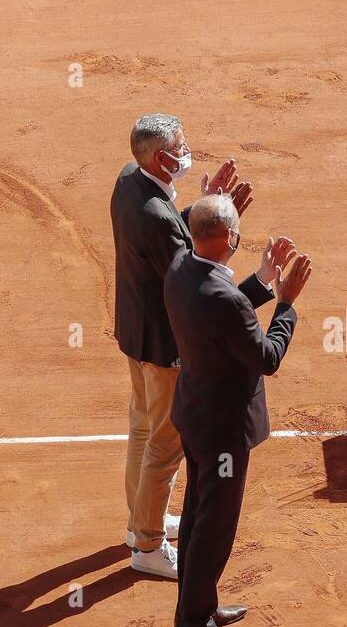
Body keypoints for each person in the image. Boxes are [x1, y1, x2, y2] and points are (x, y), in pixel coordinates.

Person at [110, 112, 279, 579]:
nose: (186, 151)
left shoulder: (129, 180)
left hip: (134, 330)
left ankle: (140, 519)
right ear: (161, 159)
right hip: (164, 347)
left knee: (143, 428)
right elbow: (195, 282)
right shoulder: (157, 220)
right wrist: (220, 223)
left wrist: (207, 209)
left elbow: (175, 238)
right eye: (180, 147)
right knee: (164, 445)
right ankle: (147, 545)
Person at [164, 194, 312, 627]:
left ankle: (197, 607)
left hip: (195, 415)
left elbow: (220, 313)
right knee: (215, 525)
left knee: (196, 514)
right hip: (224, 431)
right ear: (230, 237)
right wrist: (285, 304)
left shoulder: (179, 270)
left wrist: (264, 280)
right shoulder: (223, 298)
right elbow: (266, 357)